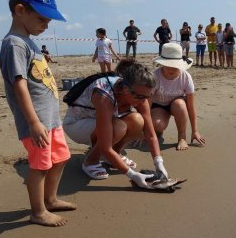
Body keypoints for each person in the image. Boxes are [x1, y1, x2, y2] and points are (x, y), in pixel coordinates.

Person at [0, 0, 76, 227]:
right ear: (20, 10)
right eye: (42, 18)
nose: (46, 25)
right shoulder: (14, 44)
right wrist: (33, 122)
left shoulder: (29, 42)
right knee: (40, 166)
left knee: (61, 158)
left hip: (50, 119)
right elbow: (19, 84)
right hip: (37, 122)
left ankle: (50, 199)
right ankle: (38, 211)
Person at [63, 58, 168, 186]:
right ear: (125, 88)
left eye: (148, 96)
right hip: (77, 124)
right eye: (139, 96)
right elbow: (106, 147)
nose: (143, 101)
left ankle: (113, 157)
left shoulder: (141, 94)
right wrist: (133, 175)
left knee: (137, 120)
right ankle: (90, 161)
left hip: (100, 122)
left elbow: (151, 135)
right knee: (119, 126)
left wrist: (159, 165)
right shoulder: (103, 94)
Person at [151, 43, 206, 151]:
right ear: (162, 64)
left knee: (180, 104)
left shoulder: (185, 77)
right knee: (158, 125)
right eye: (168, 65)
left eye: (175, 65)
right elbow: (146, 104)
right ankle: (158, 131)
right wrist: (143, 131)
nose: (171, 69)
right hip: (159, 105)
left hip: (177, 105)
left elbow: (190, 106)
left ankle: (182, 137)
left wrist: (194, 131)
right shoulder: (155, 76)